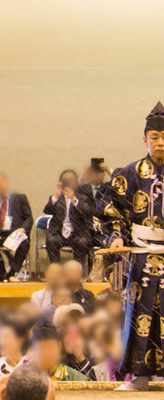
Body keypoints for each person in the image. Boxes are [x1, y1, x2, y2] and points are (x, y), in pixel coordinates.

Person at [96, 101, 164, 390]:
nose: (160, 143)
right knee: (140, 316)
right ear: (144, 138)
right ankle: (140, 376)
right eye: (154, 137)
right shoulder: (130, 172)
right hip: (142, 255)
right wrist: (116, 235)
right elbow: (109, 209)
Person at [0, 172, 33, 282]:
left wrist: (23, 229)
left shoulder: (20, 198)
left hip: (15, 234)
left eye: (1, 181)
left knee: (25, 242)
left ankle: (12, 274)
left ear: (6, 181)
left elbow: (29, 218)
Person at [43, 170, 93, 265]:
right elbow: (47, 210)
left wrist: (74, 199)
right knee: (51, 240)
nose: (69, 183)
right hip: (59, 233)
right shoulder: (56, 198)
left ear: (76, 183)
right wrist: (56, 196)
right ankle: (56, 269)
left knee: (82, 242)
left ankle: (77, 270)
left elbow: (87, 212)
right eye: (66, 181)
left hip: (77, 233)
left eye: (71, 181)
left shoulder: (83, 198)